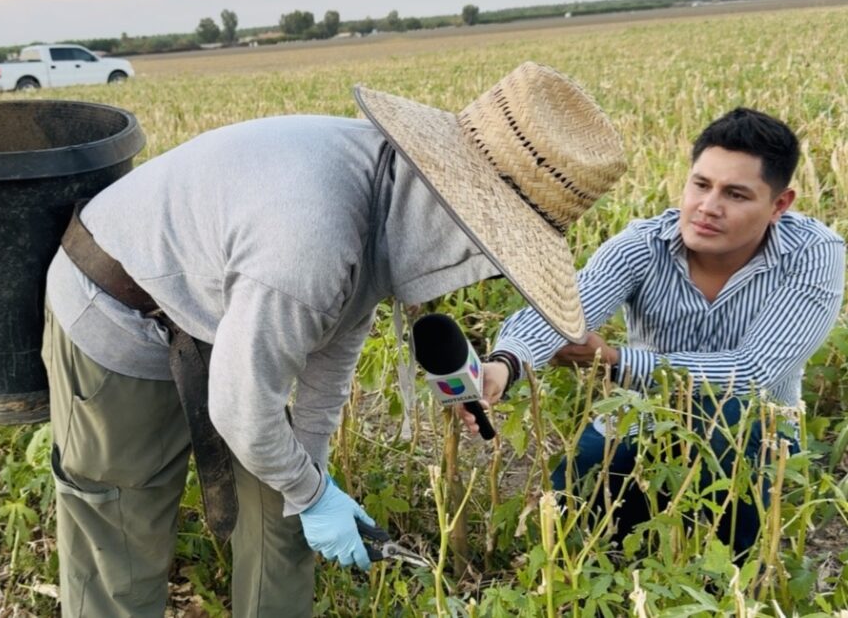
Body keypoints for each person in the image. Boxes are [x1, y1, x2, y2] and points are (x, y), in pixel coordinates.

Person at [42, 61, 627, 617]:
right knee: (125, 527)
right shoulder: (312, 240)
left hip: (224, 299)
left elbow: (337, 335)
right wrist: (314, 494)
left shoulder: (389, 195)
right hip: (117, 301)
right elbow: (242, 410)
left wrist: (311, 477)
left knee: (283, 514)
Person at [468, 107, 846, 557]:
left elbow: (752, 374)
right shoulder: (644, 245)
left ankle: (737, 566)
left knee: (733, 460)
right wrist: (505, 363)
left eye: (735, 194)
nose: (708, 207)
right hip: (642, 417)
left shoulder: (813, 253)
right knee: (570, 515)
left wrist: (616, 362)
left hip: (756, 431)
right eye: (701, 184)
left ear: (779, 205)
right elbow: (564, 311)